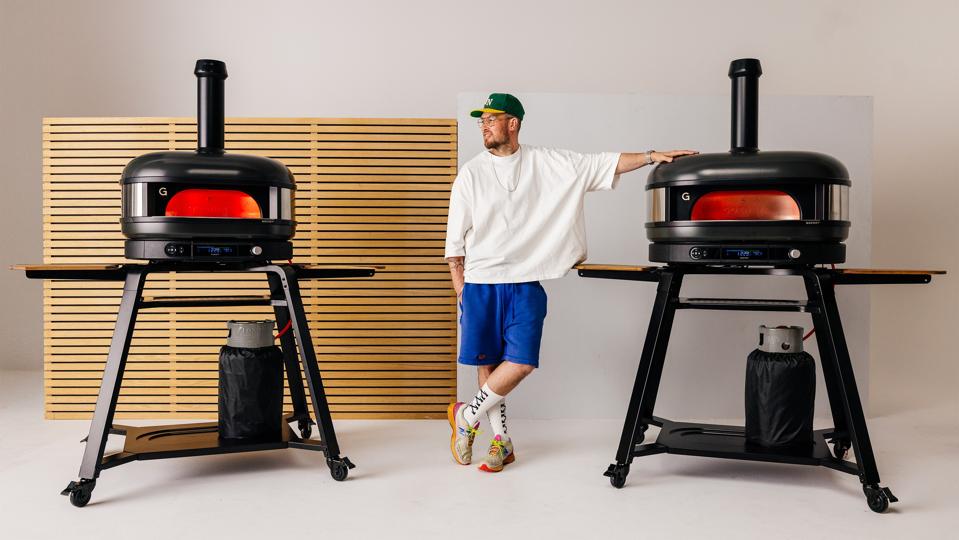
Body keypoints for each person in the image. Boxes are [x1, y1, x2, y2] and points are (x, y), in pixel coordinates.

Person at [445, 92, 696, 473]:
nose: (484, 126)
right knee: (488, 364)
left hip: (525, 282)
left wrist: (649, 157)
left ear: (513, 123)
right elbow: (454, 236)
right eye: (482, 120)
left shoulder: (546, 163)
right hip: (480, 281)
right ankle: (501, 441)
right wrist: (459, 284)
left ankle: (466, 416)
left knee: (520, 362)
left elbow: (599, 164)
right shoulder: (471, 172)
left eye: (492, 119)